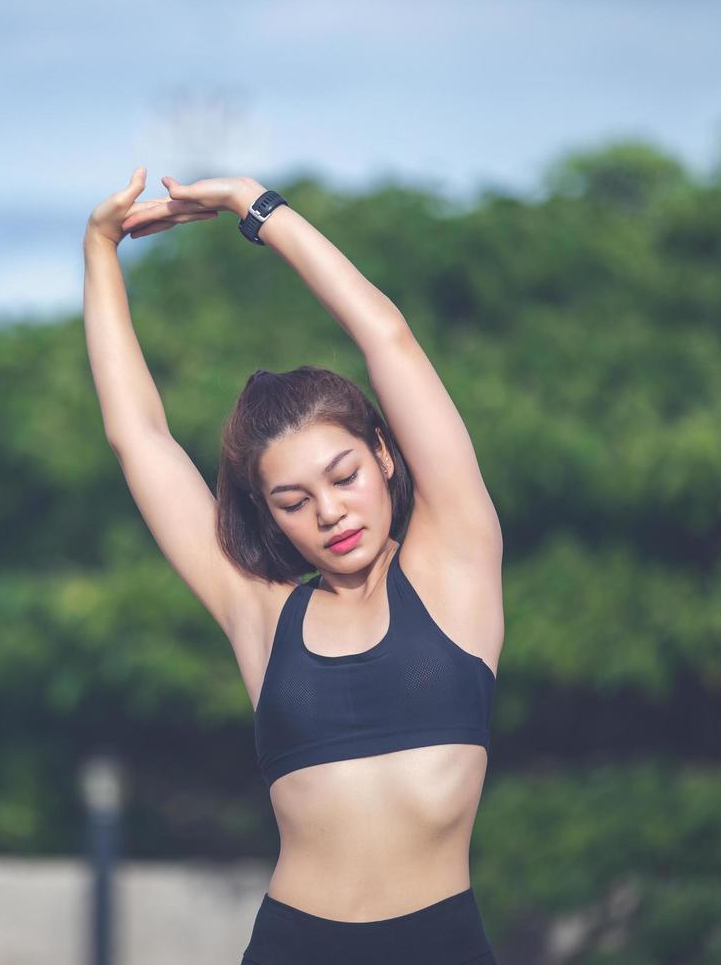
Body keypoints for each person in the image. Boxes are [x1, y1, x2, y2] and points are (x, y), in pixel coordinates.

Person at [84, 168, 504, 965]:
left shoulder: (456, 564)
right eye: (292, 499)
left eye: (343, 476)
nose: (330, 512)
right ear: (268, 512)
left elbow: (388, 337)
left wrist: (258, 208)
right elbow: (137, 437)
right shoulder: (263, 612)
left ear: (384, 456)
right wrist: (101, 249)